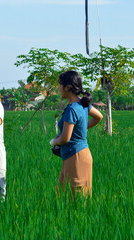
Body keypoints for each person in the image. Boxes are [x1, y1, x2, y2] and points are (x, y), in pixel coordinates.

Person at [50, 70, 103, 198]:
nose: (58, 88)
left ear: (68, 87)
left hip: (76, 157)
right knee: (61, 196)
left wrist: (54, 141)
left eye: (60, 84)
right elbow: (99, 117)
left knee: (76, 201)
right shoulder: (82, 104)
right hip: (73, 156)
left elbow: (65, 139)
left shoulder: (72, 109)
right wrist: (81, 129)